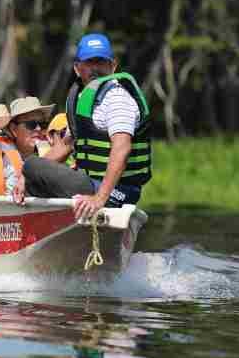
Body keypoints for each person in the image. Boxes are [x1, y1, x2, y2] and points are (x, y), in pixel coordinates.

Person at [23, 32, 152, 220]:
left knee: (32, 165)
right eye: (89, 63)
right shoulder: (84, 100)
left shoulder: (116, 98)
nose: (95, 69)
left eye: (101, 62)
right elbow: (66, 145)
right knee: (31, 170)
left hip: (116, 193)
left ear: (113, 66)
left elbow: (122, 149)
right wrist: (24, 179)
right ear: (77, 68)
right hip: (92, 184)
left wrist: (99, 199)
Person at [0, 96, 56, 203]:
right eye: (31, 124)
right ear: (13, 129)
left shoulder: (53, 152)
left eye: (42, 124)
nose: (38, 129)